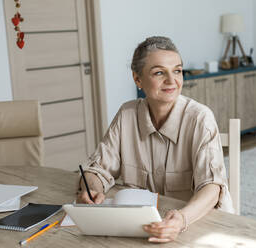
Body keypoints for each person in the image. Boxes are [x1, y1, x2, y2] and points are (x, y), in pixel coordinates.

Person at [77, 36, 234, 243]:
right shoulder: (127, 114)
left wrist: (181, 219)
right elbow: (97, 169)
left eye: (177, 71)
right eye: (159, 72)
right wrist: (93, 190)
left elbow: (212, 187)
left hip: (198, 226)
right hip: (144, 230)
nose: (172, 81)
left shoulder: (200, 118)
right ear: (137, 79)